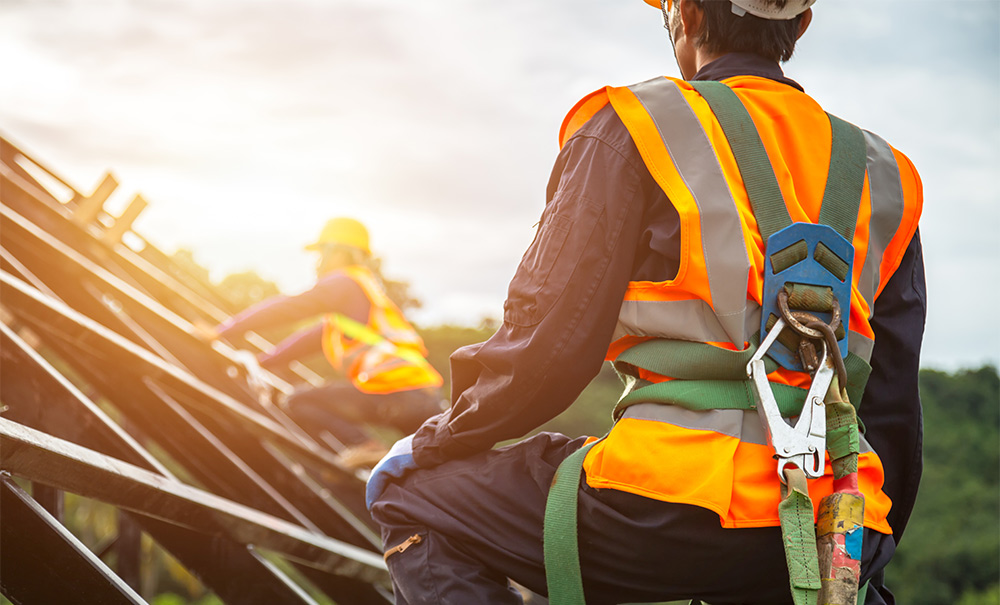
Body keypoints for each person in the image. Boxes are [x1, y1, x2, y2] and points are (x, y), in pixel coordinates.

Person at [367, 1, 924, 604]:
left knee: (411, 496)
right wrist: (867, 550)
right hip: (838, 526)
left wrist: (433, 444)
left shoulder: (634, 124)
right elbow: (891, 405)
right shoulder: (886, 173)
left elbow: (545, 350)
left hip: (670, 506)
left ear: (684, 13)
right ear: (802, 23)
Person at [214, 217, 445, 459]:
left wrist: (222, 331)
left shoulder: (344, 282)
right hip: (423, 399)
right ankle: (366, 457)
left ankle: (365, 446)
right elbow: (300, 344)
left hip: (396, 393)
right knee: (422, 468)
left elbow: (288, 308)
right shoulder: (357, 303)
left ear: (337, 252)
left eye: (321, 252)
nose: (317, 262)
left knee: (298, 401)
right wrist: (259, 364)